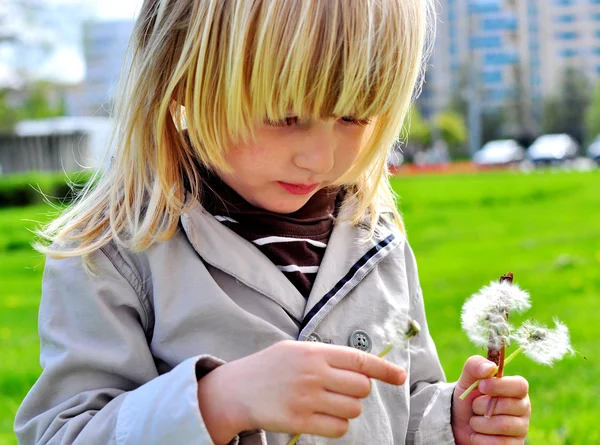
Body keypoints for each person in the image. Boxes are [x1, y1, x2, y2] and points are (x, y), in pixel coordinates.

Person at [15, 1, 531, 444]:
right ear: (184, 78)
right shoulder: (113, 256)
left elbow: (397, 405)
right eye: (286, 116)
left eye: (354, 116)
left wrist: (451, 423)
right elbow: (64, 432)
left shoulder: (377, 237)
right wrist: (218, 401)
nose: (321, 156)